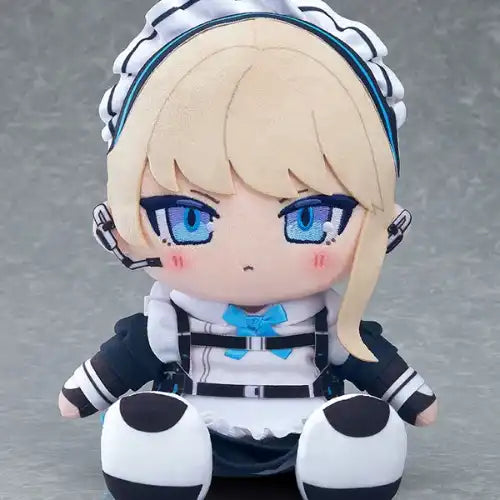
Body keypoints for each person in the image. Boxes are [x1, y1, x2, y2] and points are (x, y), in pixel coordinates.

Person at [58, 1, 438, 499]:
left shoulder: (331, 322)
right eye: (188, 219)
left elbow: (370, 359)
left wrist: (410, 398)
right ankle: (157, 451)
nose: (249, 256)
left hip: (304, 432)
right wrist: (85, 394)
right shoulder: (168, 321)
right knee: (152, 427)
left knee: (356, 430)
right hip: (197, 427)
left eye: (310, 218)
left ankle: (345, 454)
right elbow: (125, 359)